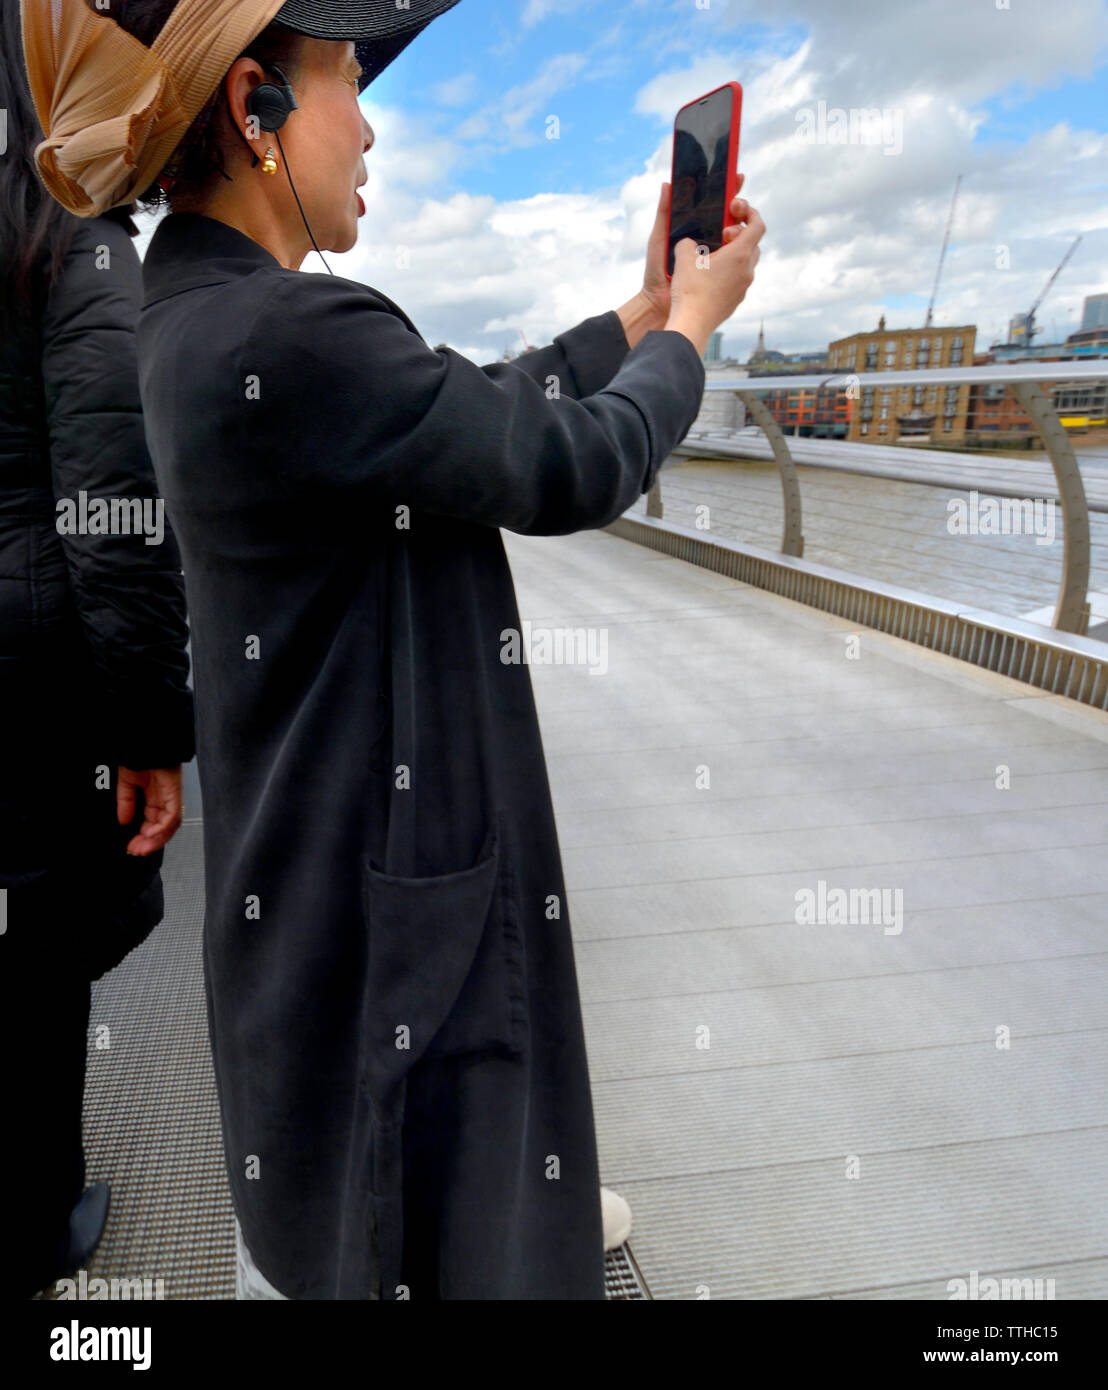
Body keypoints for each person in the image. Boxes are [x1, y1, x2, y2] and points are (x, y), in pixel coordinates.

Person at [21, 0, 763, 1299]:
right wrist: (694, 330)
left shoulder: (203, 308)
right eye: (346, 81)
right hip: (386, 878)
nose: (367, 126)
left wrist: (640, 308)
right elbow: (566, 459)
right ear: (256, 105)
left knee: (345, 1175)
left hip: (307, 852)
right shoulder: (287, 332)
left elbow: (462, 400)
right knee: (413, 1172)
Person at [0, 0, 195, 1299]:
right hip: (27, 685)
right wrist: (152, 734)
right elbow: (115, 519)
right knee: (38, 963)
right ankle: (37, 1219)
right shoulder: (74, 236)